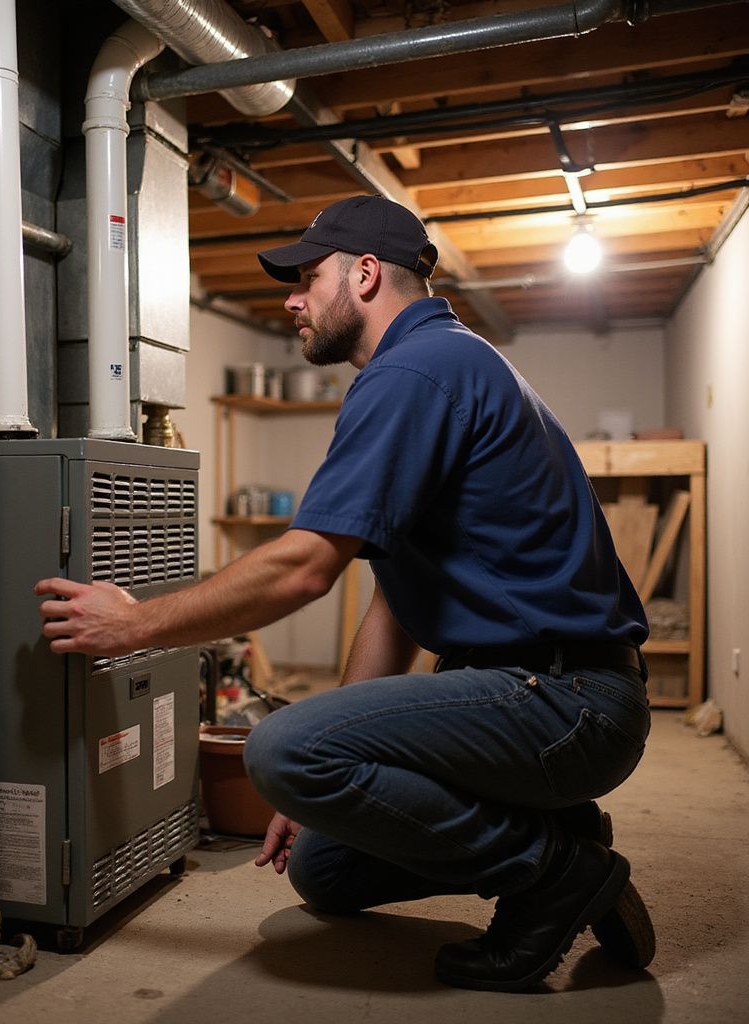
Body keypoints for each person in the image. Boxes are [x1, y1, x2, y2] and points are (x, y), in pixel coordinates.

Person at [35, 194, 655, 992]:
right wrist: (344, 744)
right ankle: (567, 836)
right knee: (325, 871)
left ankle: (550, 872)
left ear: (364, 275)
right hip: (538, 694)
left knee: (278, 748)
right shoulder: (447, 361)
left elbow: (303, 567)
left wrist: (133, 626)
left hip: (566, 698)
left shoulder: (413, 371)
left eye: (307, 276)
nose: (291, 299)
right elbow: (392, 602)